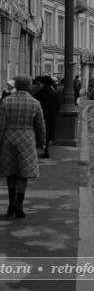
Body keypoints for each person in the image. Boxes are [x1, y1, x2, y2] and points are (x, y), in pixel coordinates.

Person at [0, 74, 46, 218]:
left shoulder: (6, 102)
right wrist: (42, 142)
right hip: (27, 138)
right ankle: (19, 206)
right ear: (28, 86)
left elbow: (0, 124)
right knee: (23, 173)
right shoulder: (35, 103)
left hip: (8, 137)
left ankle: (11, 203)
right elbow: (40, 126)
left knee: (10, 171)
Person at [35, 76, 61, 158]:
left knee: (41, 131)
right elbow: (58, 105)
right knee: (49, 132)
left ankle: (42, 147)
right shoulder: (54, 93)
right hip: (51, 115)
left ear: (43, 83)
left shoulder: (39, 93)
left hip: (41, 115)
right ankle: (46, 149)